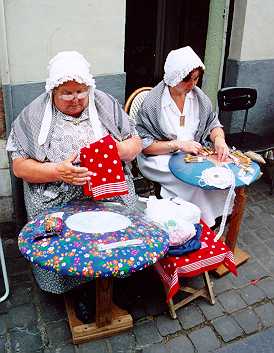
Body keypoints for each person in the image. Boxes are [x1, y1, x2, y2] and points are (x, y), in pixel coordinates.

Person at [6, 51, 142, 294]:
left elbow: (135, 143)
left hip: (105, 189)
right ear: (53, 91)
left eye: (80, 91)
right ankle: (74, 288)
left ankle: (112, 277)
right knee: (58, 237)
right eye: (66, 93)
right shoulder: (33, 115)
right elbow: (19, 167)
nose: (75, 98)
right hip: (56, 193)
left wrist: (113, 150)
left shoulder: (106, 104)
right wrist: (58, 171)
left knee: (121, 217)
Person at [136, 46, 232, 227]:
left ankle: (213, 222)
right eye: (187, 80)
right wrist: (178, 145)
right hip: (160, 157)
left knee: (217, 178)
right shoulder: (152, 104)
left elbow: (213, 124)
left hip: (193, 153)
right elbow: (144, 145)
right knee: (193, 184)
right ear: (173, 77)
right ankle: (196, 225)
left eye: (196, 79)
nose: (193, 85)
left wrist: (219, 140)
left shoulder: (199, 98)